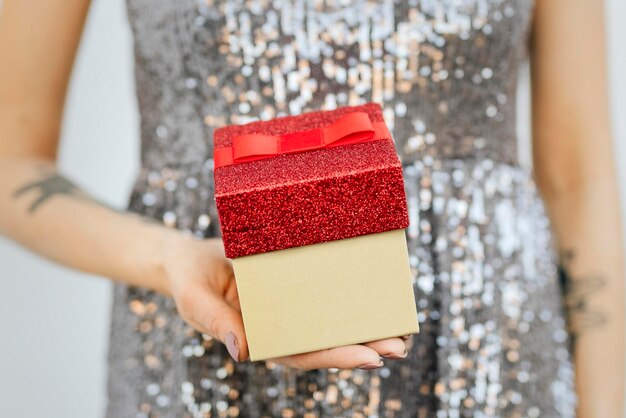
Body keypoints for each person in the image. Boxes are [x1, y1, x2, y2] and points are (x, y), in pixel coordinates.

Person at [0, 0, 623, 416]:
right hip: (207, 336)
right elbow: (12, 162)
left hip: (489, 345)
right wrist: (172, 259)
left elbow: (579, 180)